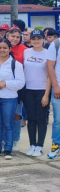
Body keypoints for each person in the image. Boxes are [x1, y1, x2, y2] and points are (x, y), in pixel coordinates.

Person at [0, 39, 25, 160]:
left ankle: (8, 149)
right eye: (0, 48)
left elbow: (20, 83)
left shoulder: (15, 64)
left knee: (8, 124)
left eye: (5, 48)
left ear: (9, 49)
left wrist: (5, 83)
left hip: (9, 98)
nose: (2, 50)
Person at [22, 29, 50, 157]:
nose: (36, 41)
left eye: (39, 38)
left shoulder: (48, 53)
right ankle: (32, 144)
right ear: (30, 40)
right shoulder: (26, 52)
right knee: (31, 119)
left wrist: (46, 94)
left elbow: (51, 75)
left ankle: (40, 146)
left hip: (42, 90)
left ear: (43, 39)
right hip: (28, 90)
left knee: (41, 119)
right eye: (34, 39)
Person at [46, 29, 60, 159]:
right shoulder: (56, 44)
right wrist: (55, 86)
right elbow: (50, 66)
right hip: (58, 89)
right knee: (58, 121)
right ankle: (56, 146)